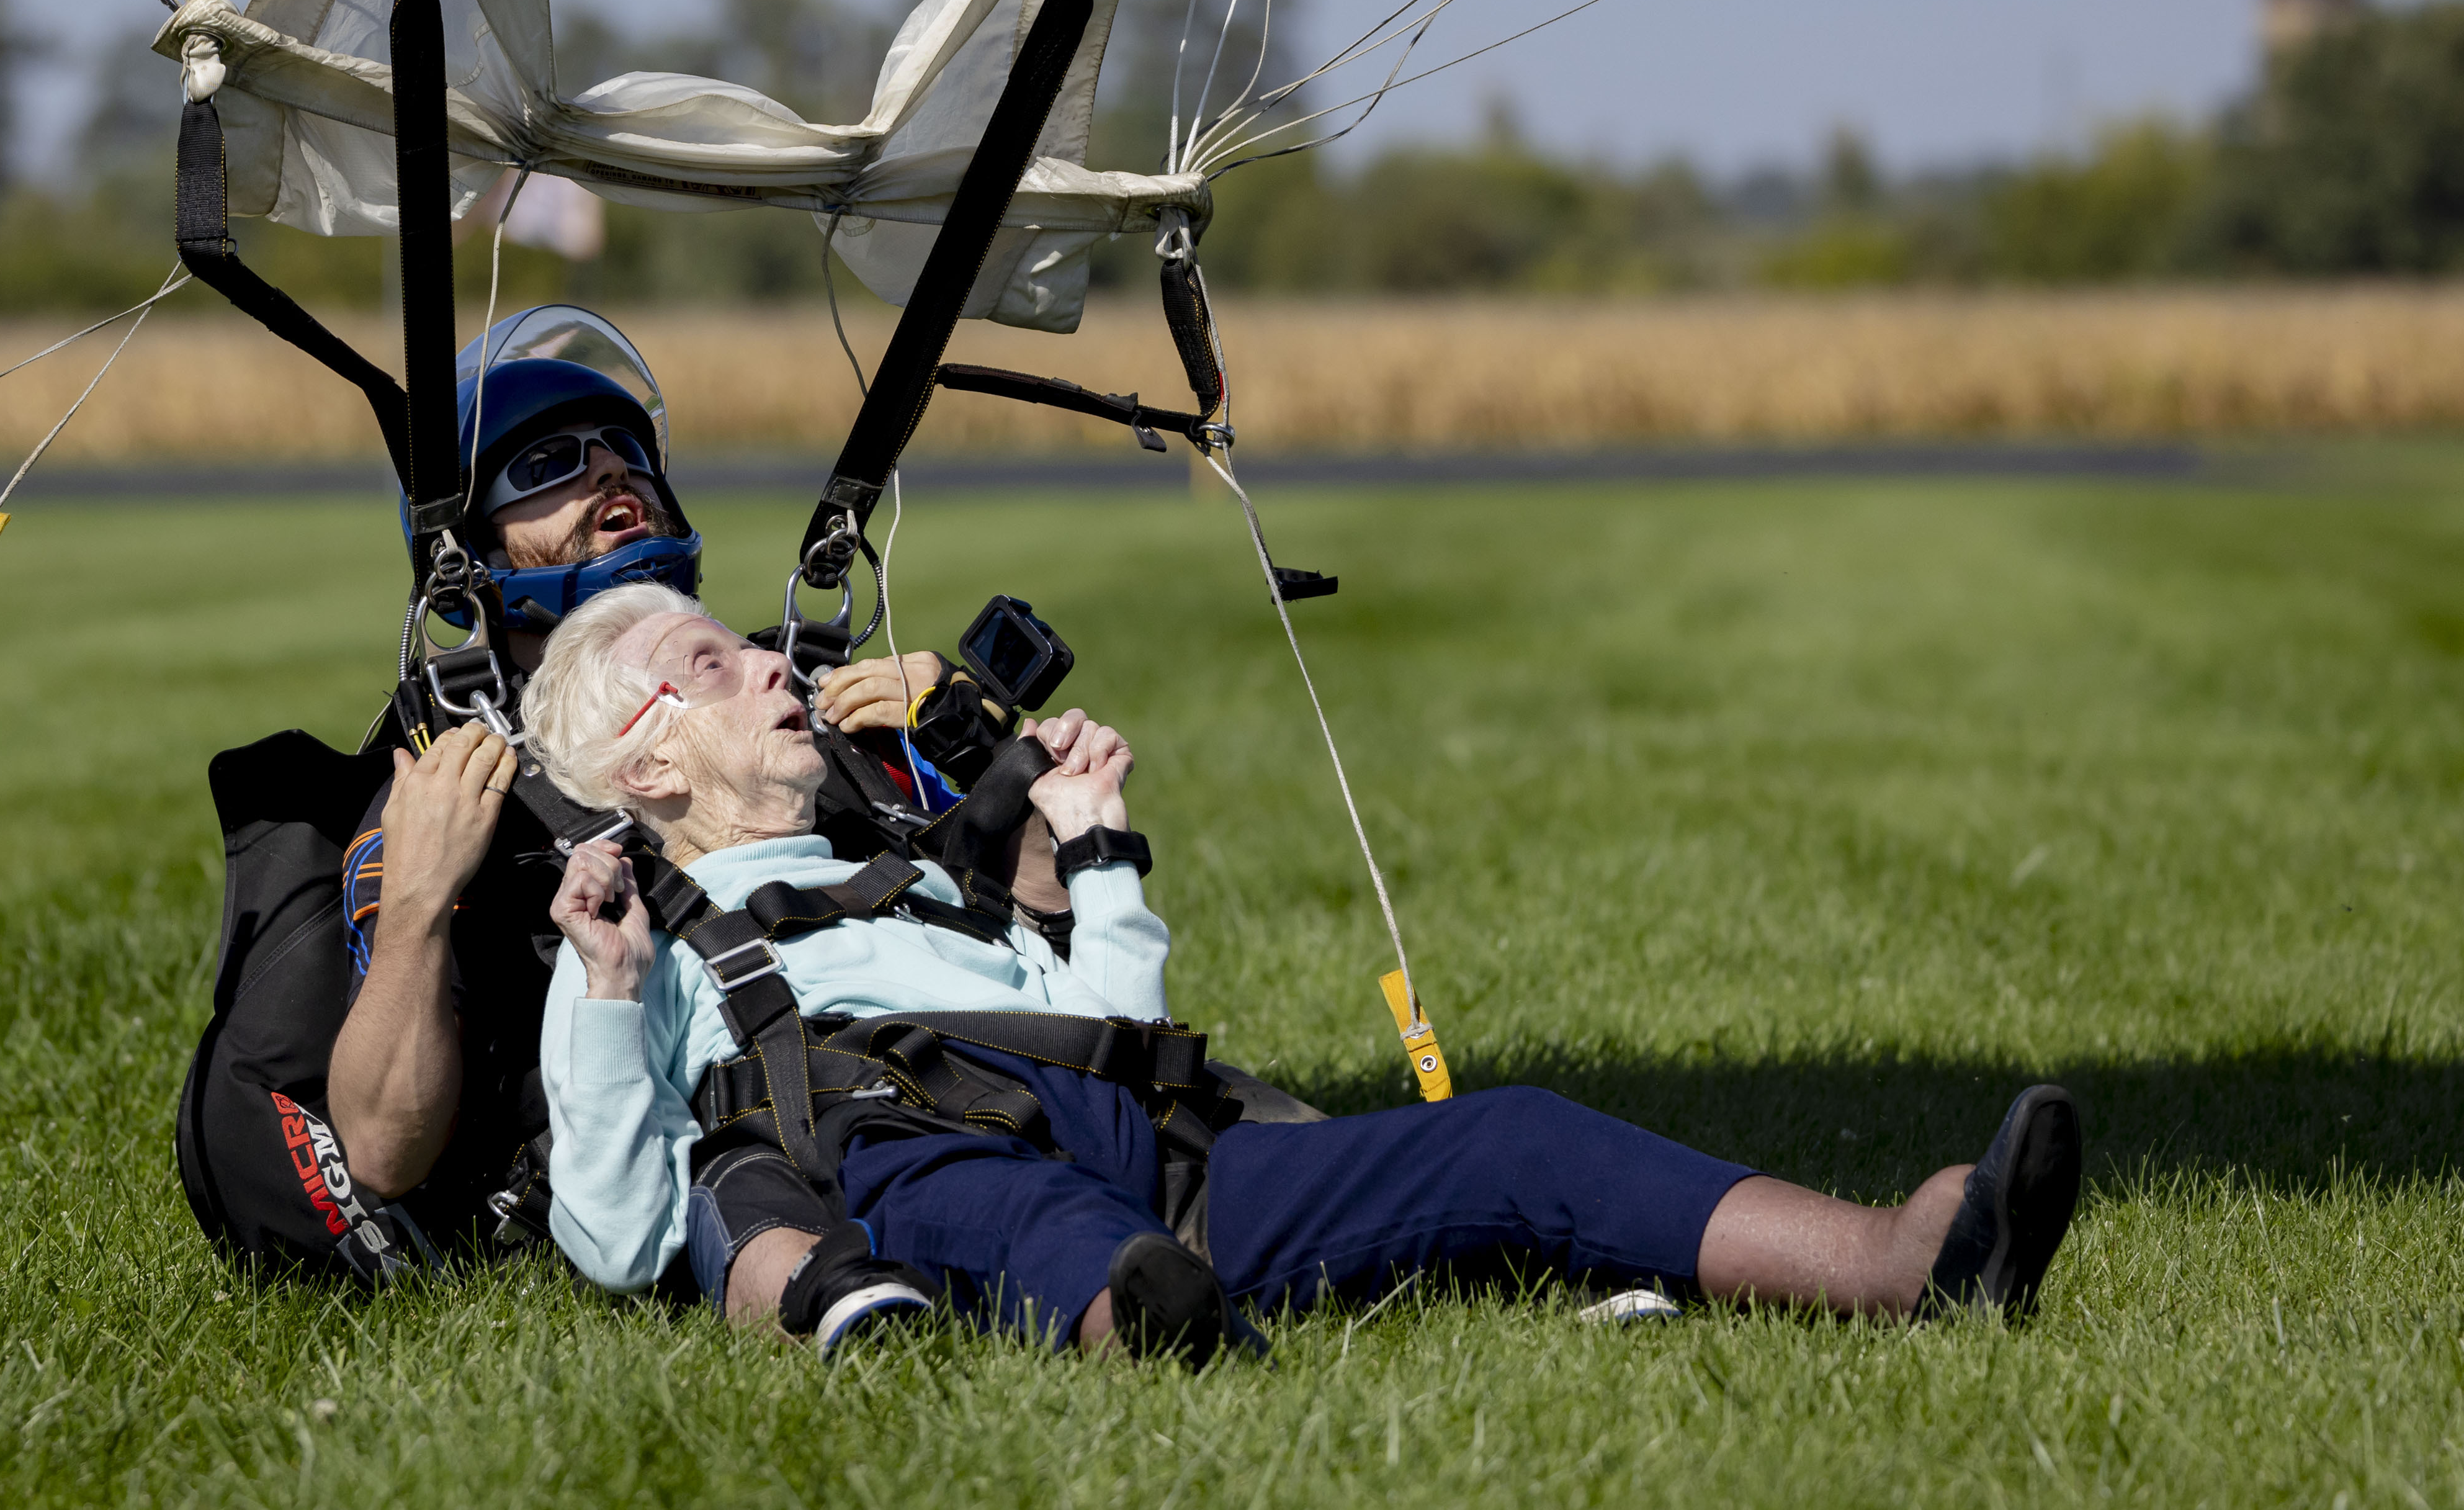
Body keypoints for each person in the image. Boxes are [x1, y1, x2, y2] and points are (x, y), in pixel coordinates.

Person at [523, 583, 2088, 1359]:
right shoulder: (636, 925)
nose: (776, 666)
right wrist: (603, 991)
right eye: (714, 664)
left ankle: (1899, 1262)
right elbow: (611, 1228)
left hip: (1153, 1151)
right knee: (1048, 1224)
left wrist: (1098, 844)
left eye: (757, 646)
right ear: (639, 758)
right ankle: (1173, 1344)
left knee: (1515, 1130)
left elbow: (1118, 1036)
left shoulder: (913, 867)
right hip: (917, 1164)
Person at [320, 310, 977, 1341]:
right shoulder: (454, 780)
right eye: (548, 466)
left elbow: (1036, 939)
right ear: (472, 553)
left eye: (625, 455)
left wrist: (963, 739)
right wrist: (414, 905)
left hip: (954, 1082)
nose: (607, 478)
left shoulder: (796, 697)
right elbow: (382, 1155)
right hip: (723, 1154)